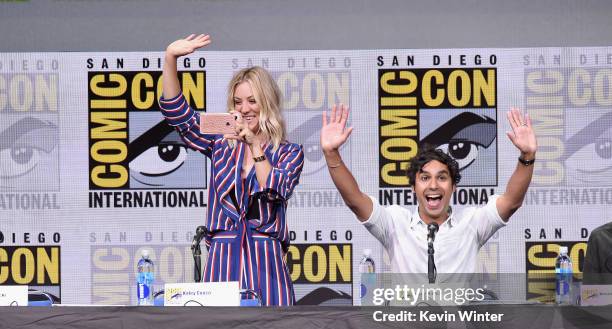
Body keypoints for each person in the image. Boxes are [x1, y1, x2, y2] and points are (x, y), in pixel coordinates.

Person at [159, 34, 304, 306]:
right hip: (223, 258)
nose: (244, 109)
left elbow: (275, 188)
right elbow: (177, 114)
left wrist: (254, 145)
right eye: (238, 102)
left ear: (267, 103)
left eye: (252, 101)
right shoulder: (220, 140)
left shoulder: (289, 151)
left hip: (266, 261)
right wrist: (170, 58)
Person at [320, 105, 537, 274]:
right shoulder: (396, 223)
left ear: (454, 187)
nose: (433, 185)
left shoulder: (471, 223)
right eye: (425, 178)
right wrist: (331, 154)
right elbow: (355, 201)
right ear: (413, 187)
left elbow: (511, 201)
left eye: (442, 178)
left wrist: (527, 156)